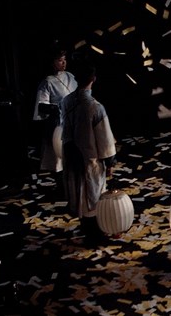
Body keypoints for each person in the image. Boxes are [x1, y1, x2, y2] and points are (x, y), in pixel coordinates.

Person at [59, 61, 116, 246]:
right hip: (89, 158)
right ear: (93, 79)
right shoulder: (95, 107)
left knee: (79, 192)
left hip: (71, 154)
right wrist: (110, 163)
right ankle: (94, 233)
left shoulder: (67, 101)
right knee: (93, 195)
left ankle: (87, 227)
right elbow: (105, 140)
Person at [33, 46, 78, 189]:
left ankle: (74, 185)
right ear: (53, 62)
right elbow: (41, 105)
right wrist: (55, 107)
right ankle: (61, 186)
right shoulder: (48, 82)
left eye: (65, 60)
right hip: (58, 124)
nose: (64, 63)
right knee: (58, 159)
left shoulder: (71, 76)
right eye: (60, 60)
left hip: (73, 121)